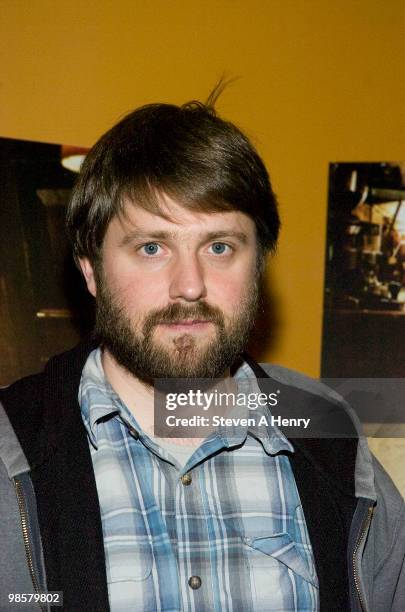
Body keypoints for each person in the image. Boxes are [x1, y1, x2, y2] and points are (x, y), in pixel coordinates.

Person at [0, 88, 404, 612]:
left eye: (219, 247)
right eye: (151, 247)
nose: (189, 285)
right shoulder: (12, 441)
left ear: (257, 265)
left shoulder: (328, 432)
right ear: (90, 270)